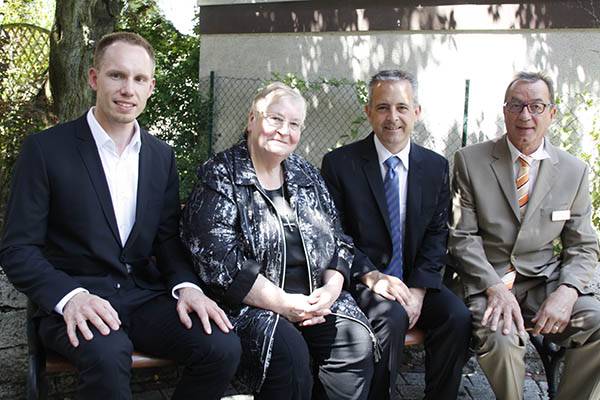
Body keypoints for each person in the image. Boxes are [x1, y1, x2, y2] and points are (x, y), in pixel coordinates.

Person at [0, 32, 241, 400]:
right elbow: (18, 249)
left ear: (150, 87)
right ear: (95, 78)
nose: (128, 88)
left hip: (141, 298)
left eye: (139, 79)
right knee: (108, 355)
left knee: (222, 347)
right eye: (117, 76)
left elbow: (167, 238)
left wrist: (189, 287)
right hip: (75, 299)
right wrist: (71, 297)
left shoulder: (161, 156)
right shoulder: (45, 150)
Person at [180, 82, 375, 400]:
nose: (284, 130)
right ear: (252, 120)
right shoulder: (219, 175)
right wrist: (284, 304)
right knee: (288, 352)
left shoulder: (307, 175)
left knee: (354, 341)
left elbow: (340, 239)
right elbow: (218, 263)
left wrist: (331, 289)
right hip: (249, 307)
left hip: (315, 301)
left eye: (294, 123)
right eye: (275, 119)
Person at [448, 71, 600, 399]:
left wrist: (568, 292)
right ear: (505, 111)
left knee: (598, 323)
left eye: (536, 106)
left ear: (552, 113)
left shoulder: (574, 171)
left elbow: (583, 245)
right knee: (501, 339)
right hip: (488, 284)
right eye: (516, 106)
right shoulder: (470, 161)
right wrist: (494, 289)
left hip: (544, 284)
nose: (525, 115)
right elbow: (462, 236)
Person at [321, 69, 471, 400]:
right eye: (383, 107)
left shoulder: (434, 167)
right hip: (366, 282)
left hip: (414, 282)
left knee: (457, 317)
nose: (393, 118)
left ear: (416, 113)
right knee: (391, 317)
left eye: (402, 107)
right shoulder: (339, 164)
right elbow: (335, 234)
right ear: (369, 112)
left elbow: (436, 235)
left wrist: (418, 290)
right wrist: (371, 275)